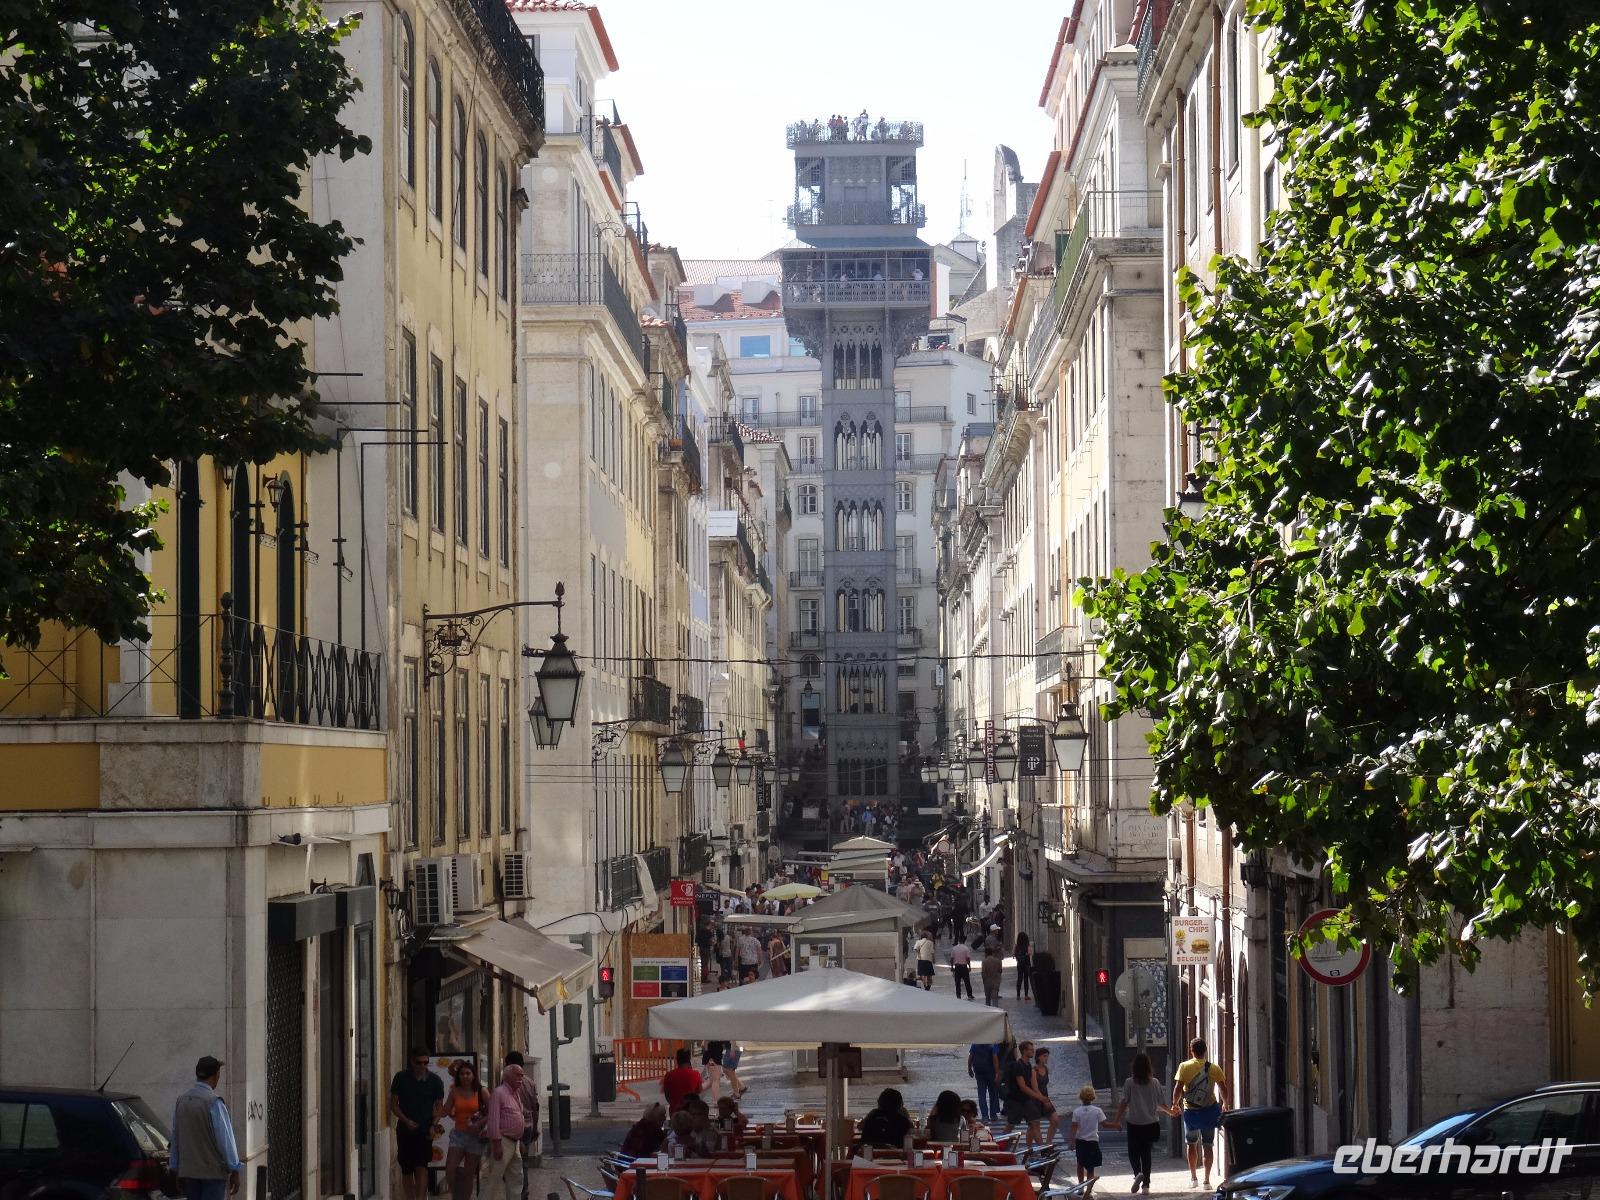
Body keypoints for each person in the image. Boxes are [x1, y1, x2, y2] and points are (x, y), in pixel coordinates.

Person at [171, 1055, 244, 1200]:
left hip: (189, 1172)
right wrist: (235, 1170)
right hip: (212, 1174)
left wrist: (175, 1167)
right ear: (216, 1075)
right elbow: (225, 1140)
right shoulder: (214, 1103)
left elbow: (176, 1136)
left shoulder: (182, 1101)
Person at [1173, 1038, 1230, 1190]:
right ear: (1205, 1051)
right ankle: (1206, 1181)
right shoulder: (1214, 1068)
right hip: (1209, 1111)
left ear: (1191, 1051)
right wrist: (1225, 1103)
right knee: (1208, 1145)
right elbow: (1223, 1088)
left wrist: (1174, 1104)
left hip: (1191, 1112)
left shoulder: (1184, 1067)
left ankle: (1193, 1178)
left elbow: (1178, 1088)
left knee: (1191, 1144)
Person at [1111, 1052, 1173, 1194]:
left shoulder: (1129, 1082)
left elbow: (1123, 1103)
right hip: (1151, 1124)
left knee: (1133, 1153)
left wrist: (1116, 1120)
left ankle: (1137, 1173)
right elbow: (1162, 1103)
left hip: (1134, 1123)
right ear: (1148, 1067)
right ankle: (1146, 1186)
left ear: (1134, 1067)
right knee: (1146, 1154)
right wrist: (1171, 1112)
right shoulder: (1155, 1082)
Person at [390, 1051, 445, 1200]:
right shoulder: (400, 1078)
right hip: (404, 1129)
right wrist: (406, 1121)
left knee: (422, 1166)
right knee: (406, 1169)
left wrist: (434, 1124)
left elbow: (440, 1107)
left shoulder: (435, 1081)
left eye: (426, 1063)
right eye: (419, 1062)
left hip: (425, 1130)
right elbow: (394, 1104)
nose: (422, 1066)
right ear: (412, 1062)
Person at [443, 1060, 490, 1200]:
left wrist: (479, 1123)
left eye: (468, 1073)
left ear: (474, 1075)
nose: (465, 1076)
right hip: (458, 1135)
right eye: (462, 1073)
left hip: (476, 1137)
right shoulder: (454, 1091)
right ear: (458, 1076)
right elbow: (446, 1110)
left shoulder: (482, 1091)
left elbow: (493, 1111)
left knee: (468, 1174)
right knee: (450, 1169)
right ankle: (456, 1196)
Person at [481, 1061, 527, 1200]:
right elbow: (493, 1119)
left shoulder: (515, 1093)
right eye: (517, 1075)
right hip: (503, 1141)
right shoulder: (499, 1092)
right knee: (493, 1178)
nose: (521, 1079)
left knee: (516, 1178)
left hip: (515, 1142)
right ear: (507, 1077)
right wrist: (496, 1144)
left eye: (522, 1076)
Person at [502, 1051, 540, 1185]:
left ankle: (517, 1189)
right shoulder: (530, 1082)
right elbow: (535, 1108)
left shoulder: (505, 1083)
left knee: (509, 1161)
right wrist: (535, 1127)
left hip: (511, 1127)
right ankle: (524, 1190)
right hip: (528, 1126)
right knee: (523, 1160)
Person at [1002, 1041, 1047, 1144]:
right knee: (1010, 1125)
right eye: (1031, 1049)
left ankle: (1043, 1149)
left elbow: (1033, 1085)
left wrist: (1040, 1097)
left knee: (1035, 1123)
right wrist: (1039, 1098)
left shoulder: (1028, 1065)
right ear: (1024, 1051)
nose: (1033, 1051)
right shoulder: (1018, 1065)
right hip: (1015, 1101)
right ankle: (998, 1145)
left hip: (1025, 1100)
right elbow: (1023, 1087)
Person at [1068, 1085, 1110, 1187]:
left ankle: (1080, 1186)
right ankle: (1089, 1189)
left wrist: (1071, 1142)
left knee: (1080, 1164)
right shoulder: (1097, 1110)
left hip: (1080, 1142)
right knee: (1091, 1167)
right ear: (1093, 1097)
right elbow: (1105, 1124)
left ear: (1080, 1097)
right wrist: (1116, 1125)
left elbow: (1073, 1128)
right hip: (1092, 1141)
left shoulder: (1077, 1111)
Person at [661, 1047, 704, 1112]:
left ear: (677, 1060)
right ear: (689, 1059)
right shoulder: (696, 1074)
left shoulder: (669, 1075)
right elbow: (699, 1090)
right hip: (690, 1110)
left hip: (674, 1111)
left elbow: (667, 1095)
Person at [967, 1041, 1001, 1124]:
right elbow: (995, 1058)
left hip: (979, 1072)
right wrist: (997, 1073)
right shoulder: (993, 1043)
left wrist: (969, 1068)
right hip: (991, 1072)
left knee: (981, 1095)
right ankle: (993, 1115)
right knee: (993, 1093)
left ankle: (985, 1116)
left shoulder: (975, 1044)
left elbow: (971, 1056)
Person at [1034, 1047, 1061, 1142]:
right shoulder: (1034, 1070)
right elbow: (1035, 1088)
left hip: (1045, 1098)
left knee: (1055, 1120)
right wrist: (1043, 1100)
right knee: (1033, 1126)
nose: (1046, 1058)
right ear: (1038, 1057)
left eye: (1047, 1056)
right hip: (1037, 1100)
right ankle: (1032, 1147)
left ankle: (1048, 1144)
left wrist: (1046, 1100)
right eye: (1044, 1056)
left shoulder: (1045, 1068)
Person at [1014, 931, 1033, 999]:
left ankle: (1018, 995)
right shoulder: (1027, 946)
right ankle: (1026, 995)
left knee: (1019, 979)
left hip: (1019, 964)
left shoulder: (1017, 946)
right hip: (1026, 964)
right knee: (1026, 979)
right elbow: (1030, 953)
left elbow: (1015, 955)